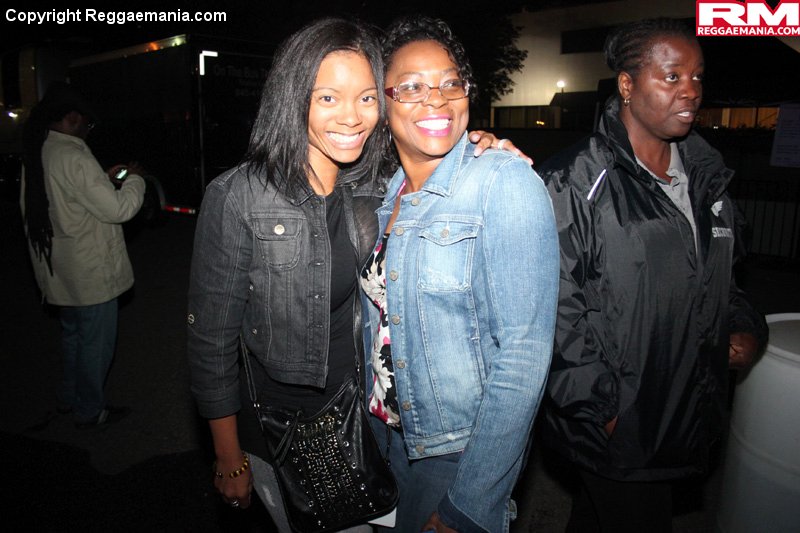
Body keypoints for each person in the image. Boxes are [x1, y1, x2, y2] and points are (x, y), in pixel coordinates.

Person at [186, 17, 517, 531]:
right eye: (328, 98)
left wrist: (481, 150)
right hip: (283, 432)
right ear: (294, 99)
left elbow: (437, 166)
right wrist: (228, 456)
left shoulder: (377, 187)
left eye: (366, 98)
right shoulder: (238, 197)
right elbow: (210, 341)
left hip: (368, 422)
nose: (351, 116)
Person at [537, 18, 768, 532]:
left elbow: (723, 279)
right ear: (627, 84)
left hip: (685, 408)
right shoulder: (574, 181)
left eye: (698, 77)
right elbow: (550, 308)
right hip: (623, 426)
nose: (691, 91)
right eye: (672, 77)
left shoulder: (707, 179)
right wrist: (601, 407)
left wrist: (744, 325)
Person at [361, 17, 559, 533]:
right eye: (412, 87)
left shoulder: (504, 182)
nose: (438, 100)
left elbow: (524, 355)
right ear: (381, 104)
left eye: (451, 83)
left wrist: (470, 501)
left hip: (454, 453)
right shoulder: (388, 193)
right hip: (384, 435)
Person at [21, 81, 145, 428]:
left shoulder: (41, 150)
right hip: (91, 275)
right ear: (73, 118)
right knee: (95, 345)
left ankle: (68, 397)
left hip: (62, 272)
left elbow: (69, 197)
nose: (89, 130)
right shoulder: (74, 154)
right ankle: (89, 410)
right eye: (87, 123)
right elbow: (118, 210)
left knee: (73, 338)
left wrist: (102, 179)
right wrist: (135, 180)